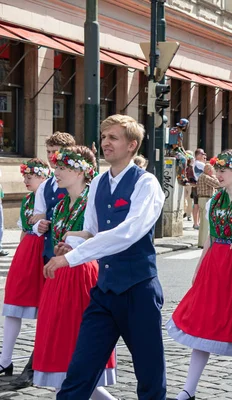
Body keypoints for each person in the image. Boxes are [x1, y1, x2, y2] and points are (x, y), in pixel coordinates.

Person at [42, 115, 167, 399]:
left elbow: (129, 232)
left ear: (132, 145)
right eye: (104, 136)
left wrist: (72, 258)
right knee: (80, 370)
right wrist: (71, 244)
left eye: (114, 137)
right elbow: (92, 231)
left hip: (139, 290)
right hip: (105, 290)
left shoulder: (147, 184)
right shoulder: (98, 183)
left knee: (149, 373)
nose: (105, 143)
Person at [166, 150, 232, 400]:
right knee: (202, 323)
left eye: (224, 170)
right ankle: (189, 388)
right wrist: (200, 265)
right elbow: (210, 237)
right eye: (217, 169)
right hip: (215, 262)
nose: (219, 175)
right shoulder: (215, 199)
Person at [32, 146, 117, 398]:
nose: (55, 172)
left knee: (78, 344)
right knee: (60, 347)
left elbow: (100, 235)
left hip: (82, 276)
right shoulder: (59, 206)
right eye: (56, 166)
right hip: (59, 278)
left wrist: (76, 242)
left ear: (81, 172)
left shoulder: (93, 200)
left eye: (62, 167)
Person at [14, 131, 75, 388]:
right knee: (49, 312)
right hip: (50, 254)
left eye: (55, 153)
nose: (50, 158)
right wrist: (39, 223)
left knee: (71, 314)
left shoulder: (82, 181)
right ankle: (37, 363)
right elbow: (35, 215)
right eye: (48, 151)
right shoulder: (48, 184)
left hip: (74, 259)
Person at [0, 159, 50, 376]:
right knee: (13, 304)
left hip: (45, 253)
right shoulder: (28, 199)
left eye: (31, 176)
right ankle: (5, 360)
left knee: (45, 309)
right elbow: (23, 232)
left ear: (43, 176)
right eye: (24, 175)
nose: (26, 180)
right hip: (27, 253)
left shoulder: (53, 198)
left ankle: (40, 360)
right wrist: (20, 256)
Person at [196, 163, 220, 247]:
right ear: (209, 171)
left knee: (203, 223)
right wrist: (214, 177)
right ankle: (203, 243)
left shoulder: (202, 176)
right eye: (212, 171)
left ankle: (201, 242)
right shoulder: (206, 177)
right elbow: (217, 184)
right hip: (206, 199)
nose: (213, 172)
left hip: (202, 199)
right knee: (205, 222)